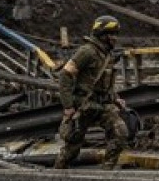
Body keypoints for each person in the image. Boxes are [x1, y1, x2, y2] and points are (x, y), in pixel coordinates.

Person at [54, 14, 129, 170]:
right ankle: (56, 176)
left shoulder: (106, 54)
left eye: (116, 34)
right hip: (84, 105)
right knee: (71, 149)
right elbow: (65, 76)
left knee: (120, 133)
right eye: (112, 34)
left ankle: (105, 174)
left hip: (102, 105)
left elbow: (104, 82)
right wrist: (68, 106)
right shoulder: (87, 52)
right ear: (102, 35)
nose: (115, 38)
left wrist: (115, 98)